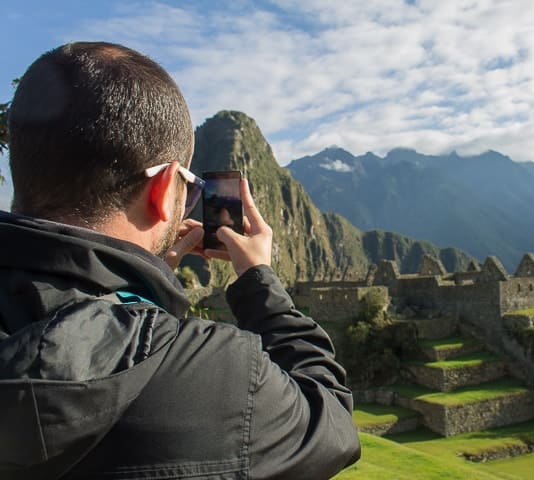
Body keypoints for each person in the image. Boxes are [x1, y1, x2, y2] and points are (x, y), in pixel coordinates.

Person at [0, 42, 360, 479]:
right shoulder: (216, 378)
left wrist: (132, 293)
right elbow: (332, 425)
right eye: (188, 187)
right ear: (163, 189)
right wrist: (259, 280)